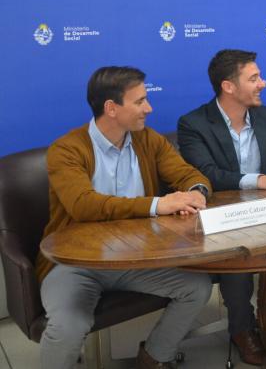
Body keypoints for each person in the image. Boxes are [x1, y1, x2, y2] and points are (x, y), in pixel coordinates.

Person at [37, 66, 212, 369]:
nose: (149, 108)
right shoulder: (66, 150)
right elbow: (84, 206)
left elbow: (188, 175)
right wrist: (158, 204)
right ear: (111, 108)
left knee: (196, 287)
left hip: (137, 258)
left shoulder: (148, 140)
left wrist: (196, 192)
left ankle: (155, 356)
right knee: (68, 326)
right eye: (140, 101)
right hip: (76, 264)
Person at [177, 50, 266, 366]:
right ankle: (243, 330)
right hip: (221, 215)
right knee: (237, 254)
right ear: (228, 86)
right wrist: (260, 180)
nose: (262, 83)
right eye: (253, 78)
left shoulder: (264, 116)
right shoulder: (193, 124)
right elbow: (207, 174)